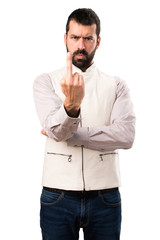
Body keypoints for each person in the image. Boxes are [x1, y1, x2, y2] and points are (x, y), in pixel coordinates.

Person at [33, 8, 135, 240]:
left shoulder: (116, 85)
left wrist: (72, 134)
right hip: (57, 196)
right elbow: (57, 130)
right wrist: (71, 105)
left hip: (105, 196)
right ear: (66, 39)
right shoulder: (45, 82)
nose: (81, 45)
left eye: (88, 38)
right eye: (75, 37)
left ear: (98, 41)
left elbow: (126, 136)